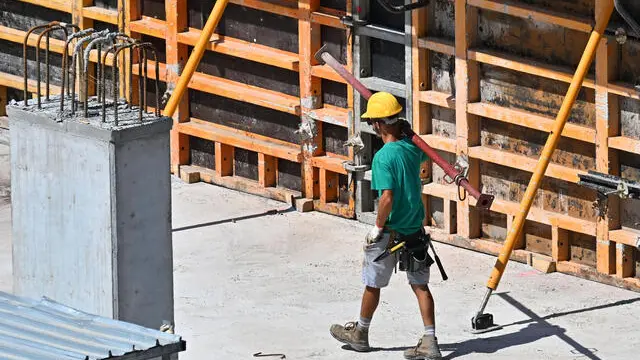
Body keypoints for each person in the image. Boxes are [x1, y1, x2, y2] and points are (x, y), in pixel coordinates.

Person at [329, 92, 442, 359]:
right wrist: (408, 135)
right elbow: (421, 154)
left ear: (379, 124)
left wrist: (377, 227)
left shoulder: (383, 158)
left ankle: (360, 334)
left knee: (372, 284)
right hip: (414, 230)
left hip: (390, 233)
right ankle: (430, 341)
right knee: (421, 286)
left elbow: (387, 198)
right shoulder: (412, 150)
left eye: (373, 123)